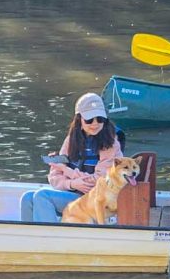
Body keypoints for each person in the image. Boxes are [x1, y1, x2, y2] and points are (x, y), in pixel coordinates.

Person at [20, 92, 123, 223]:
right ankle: (30, 240)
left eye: (100, 119)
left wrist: (67, 170)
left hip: (98, 200)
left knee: (42, 196)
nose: (95, 124)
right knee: (27, 198)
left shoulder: (111, 144)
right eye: (89, 119)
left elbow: (98, 181)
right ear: (79, 119)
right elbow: (54, 177)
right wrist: (72, 184)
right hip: (75, 194)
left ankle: (52, 239)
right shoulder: (70, 141)